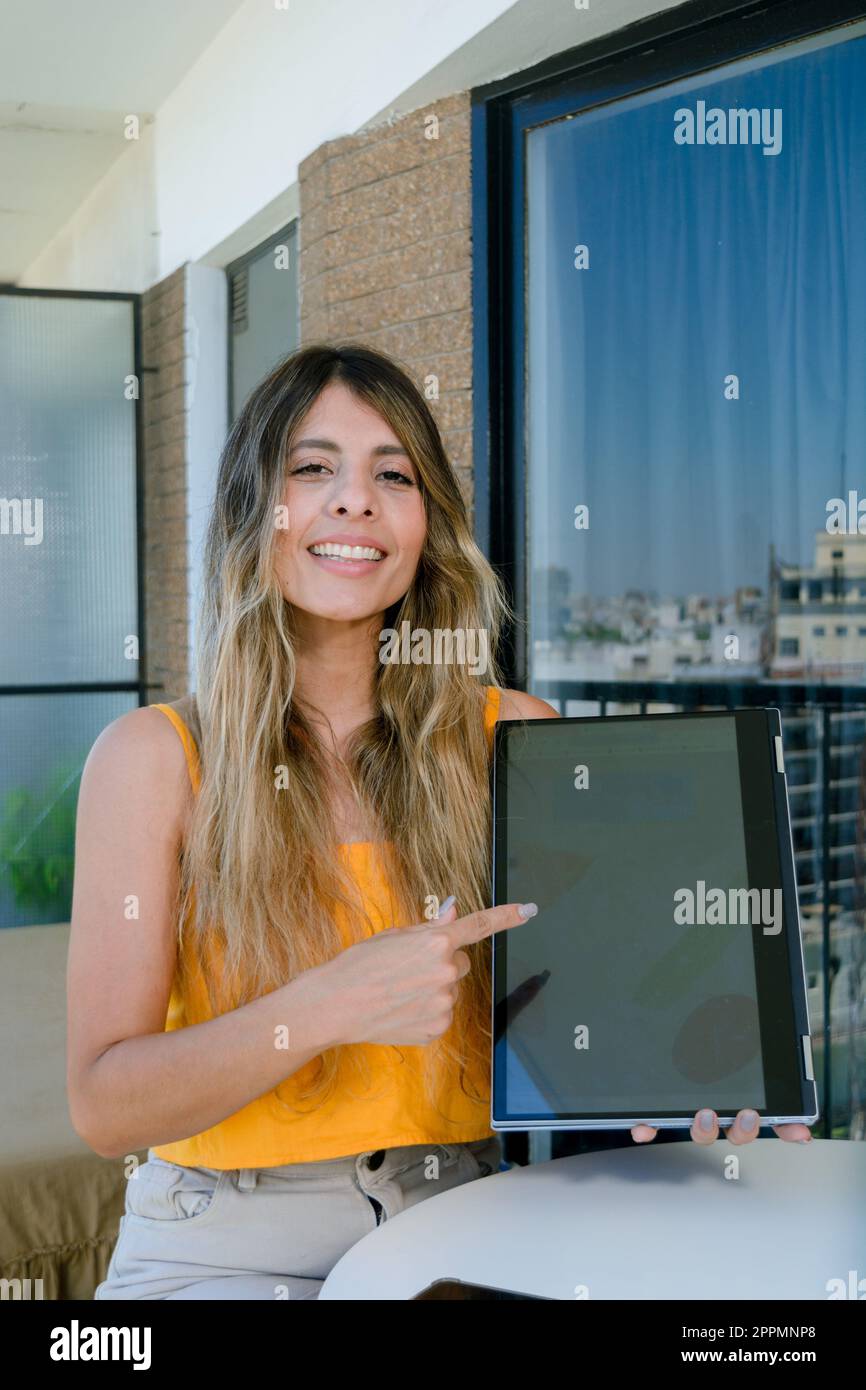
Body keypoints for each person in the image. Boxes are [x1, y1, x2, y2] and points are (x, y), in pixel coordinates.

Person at [68, 343, 811, 1301]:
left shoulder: (516, 738)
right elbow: (104, 1107)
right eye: (311, 467)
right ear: (258, 512)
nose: (355, 500)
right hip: (217, 1239)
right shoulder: (154, 759)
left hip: (459, 1215)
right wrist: (333, 1003)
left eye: (394, 475)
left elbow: (600, 1012)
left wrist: (696, 1077)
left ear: (428, 526)